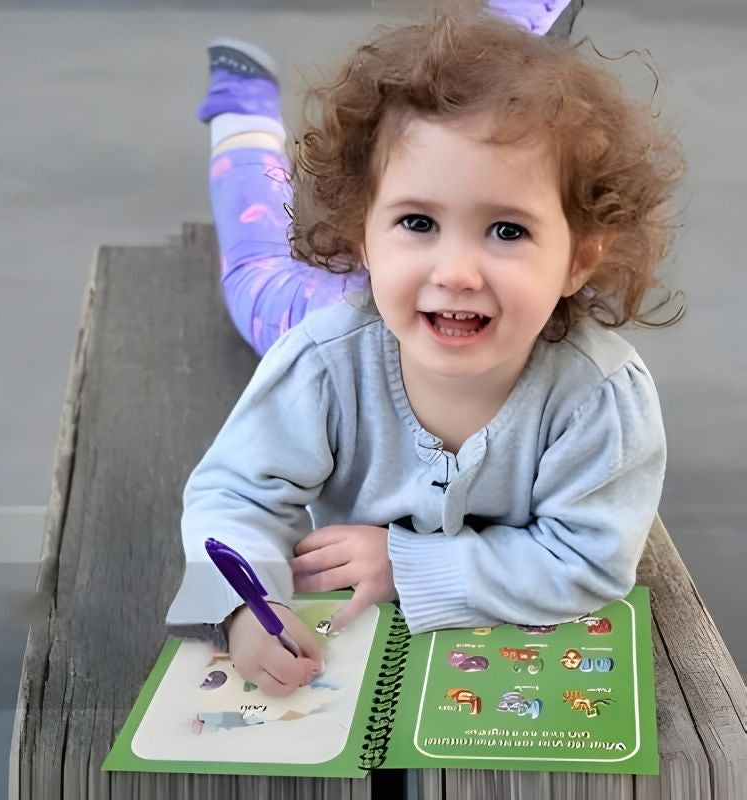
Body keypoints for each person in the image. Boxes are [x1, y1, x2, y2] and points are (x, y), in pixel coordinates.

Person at [166, 6, 685, 697]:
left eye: (506, 230)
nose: (457, 270)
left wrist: (405, 565)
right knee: (255, 267)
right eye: (418, 221)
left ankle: (503, 34)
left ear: (579, 260)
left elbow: (588, 563)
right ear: (361, 235)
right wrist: (242, 605)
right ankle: (243, 114)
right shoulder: (321, 361)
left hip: (432, 312)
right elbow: (232, 496)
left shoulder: (600, 398)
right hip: (332, 307)